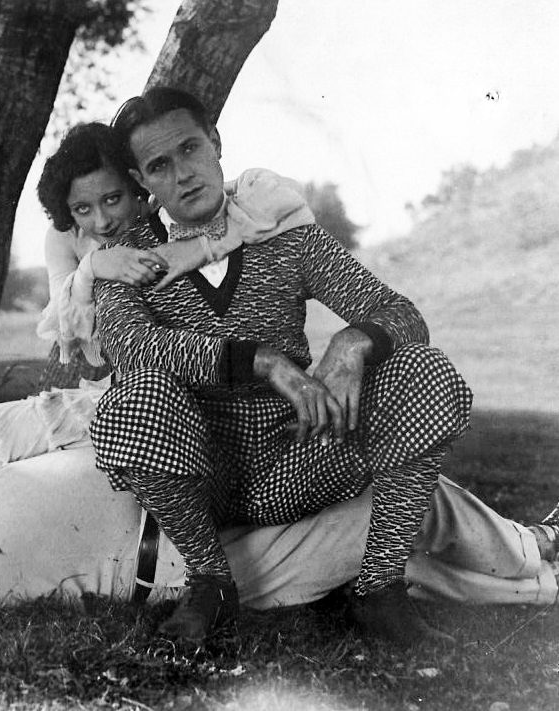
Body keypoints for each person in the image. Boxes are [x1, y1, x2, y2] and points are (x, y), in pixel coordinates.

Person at [89, 87, 474, 645]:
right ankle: (212, 584)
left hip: (299, 452)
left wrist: (351, 344)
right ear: (142, 179)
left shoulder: (282, 235)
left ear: (216, 144)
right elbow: (135, 350)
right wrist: (261, 361)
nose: (184, 174)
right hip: (201, 473)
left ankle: (379, 590)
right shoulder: (127, 259)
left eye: (192, 150)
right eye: (160, 166)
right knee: (133, 398)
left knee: (423, 371)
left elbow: (399, 312)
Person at [0, 442, 559, 618]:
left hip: (202, 492)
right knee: (401, 500)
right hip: (194, 556)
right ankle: (535, 548)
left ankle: (538, 582)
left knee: (392, 545)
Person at [35, 121, 314, 376]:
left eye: (112, 199)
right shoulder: (66, 237)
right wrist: (92, 266)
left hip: (195, 360)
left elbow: (287, 193)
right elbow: (68, 322)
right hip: (124, 370)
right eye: (82, 208)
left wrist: (204, 245)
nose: (101, 221)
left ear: (136, 182)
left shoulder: (166, 210)